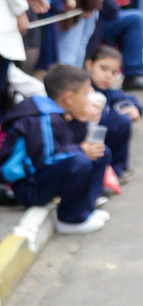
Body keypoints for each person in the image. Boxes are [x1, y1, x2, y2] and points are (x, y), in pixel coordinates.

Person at [0, 61, 112, 233]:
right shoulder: (43, 117)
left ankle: (86, 208)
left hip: (44, 178)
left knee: (100, 152)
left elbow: (69, 143)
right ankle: (71, 219)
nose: (88, 98)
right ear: (69, 97)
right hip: (28, 187)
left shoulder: (59, 113)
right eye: (85, 93)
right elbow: (45, 159)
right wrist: (81, 150)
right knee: (81, 161)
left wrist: (82, 122)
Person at [85, 41, 142, 178]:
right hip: (82, 138)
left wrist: (133, 108)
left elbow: (125, 99)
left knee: (122, 121)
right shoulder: (82, 89)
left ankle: (117, 170)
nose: (108, 76)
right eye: (103, 69)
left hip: (99, 139)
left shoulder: (108, 93)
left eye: (114, 72)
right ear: (89, 65)